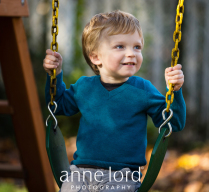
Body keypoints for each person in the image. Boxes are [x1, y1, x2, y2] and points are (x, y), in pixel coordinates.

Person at [43, 10, 186, 192]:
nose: (131, 54)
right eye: (120, 46)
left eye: (137, 47)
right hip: (80, 173)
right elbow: (57, 105)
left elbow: (173, 122)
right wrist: (54, 76)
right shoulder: (84, 87)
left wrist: (174, 91)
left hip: (122, 176)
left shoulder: (143, 89)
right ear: (96, 57)